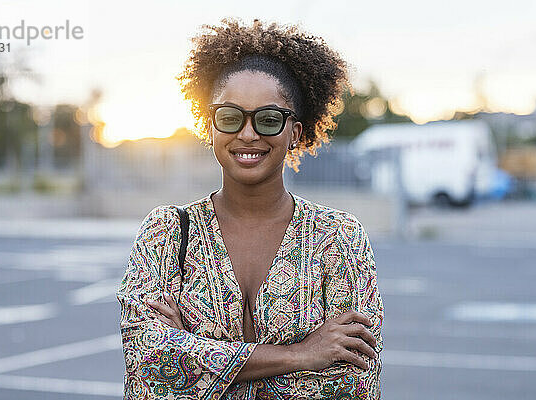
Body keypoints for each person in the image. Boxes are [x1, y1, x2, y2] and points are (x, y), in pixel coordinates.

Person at [117, 18, 384, 399]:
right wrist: (300, 355)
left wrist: (192, 359)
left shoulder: (338, 238)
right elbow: (147, 363)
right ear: (209, 125)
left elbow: (352, 382)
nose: (247, 133)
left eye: (269, 119)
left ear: (295, 132)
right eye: (230, 116)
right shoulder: (166, 232)